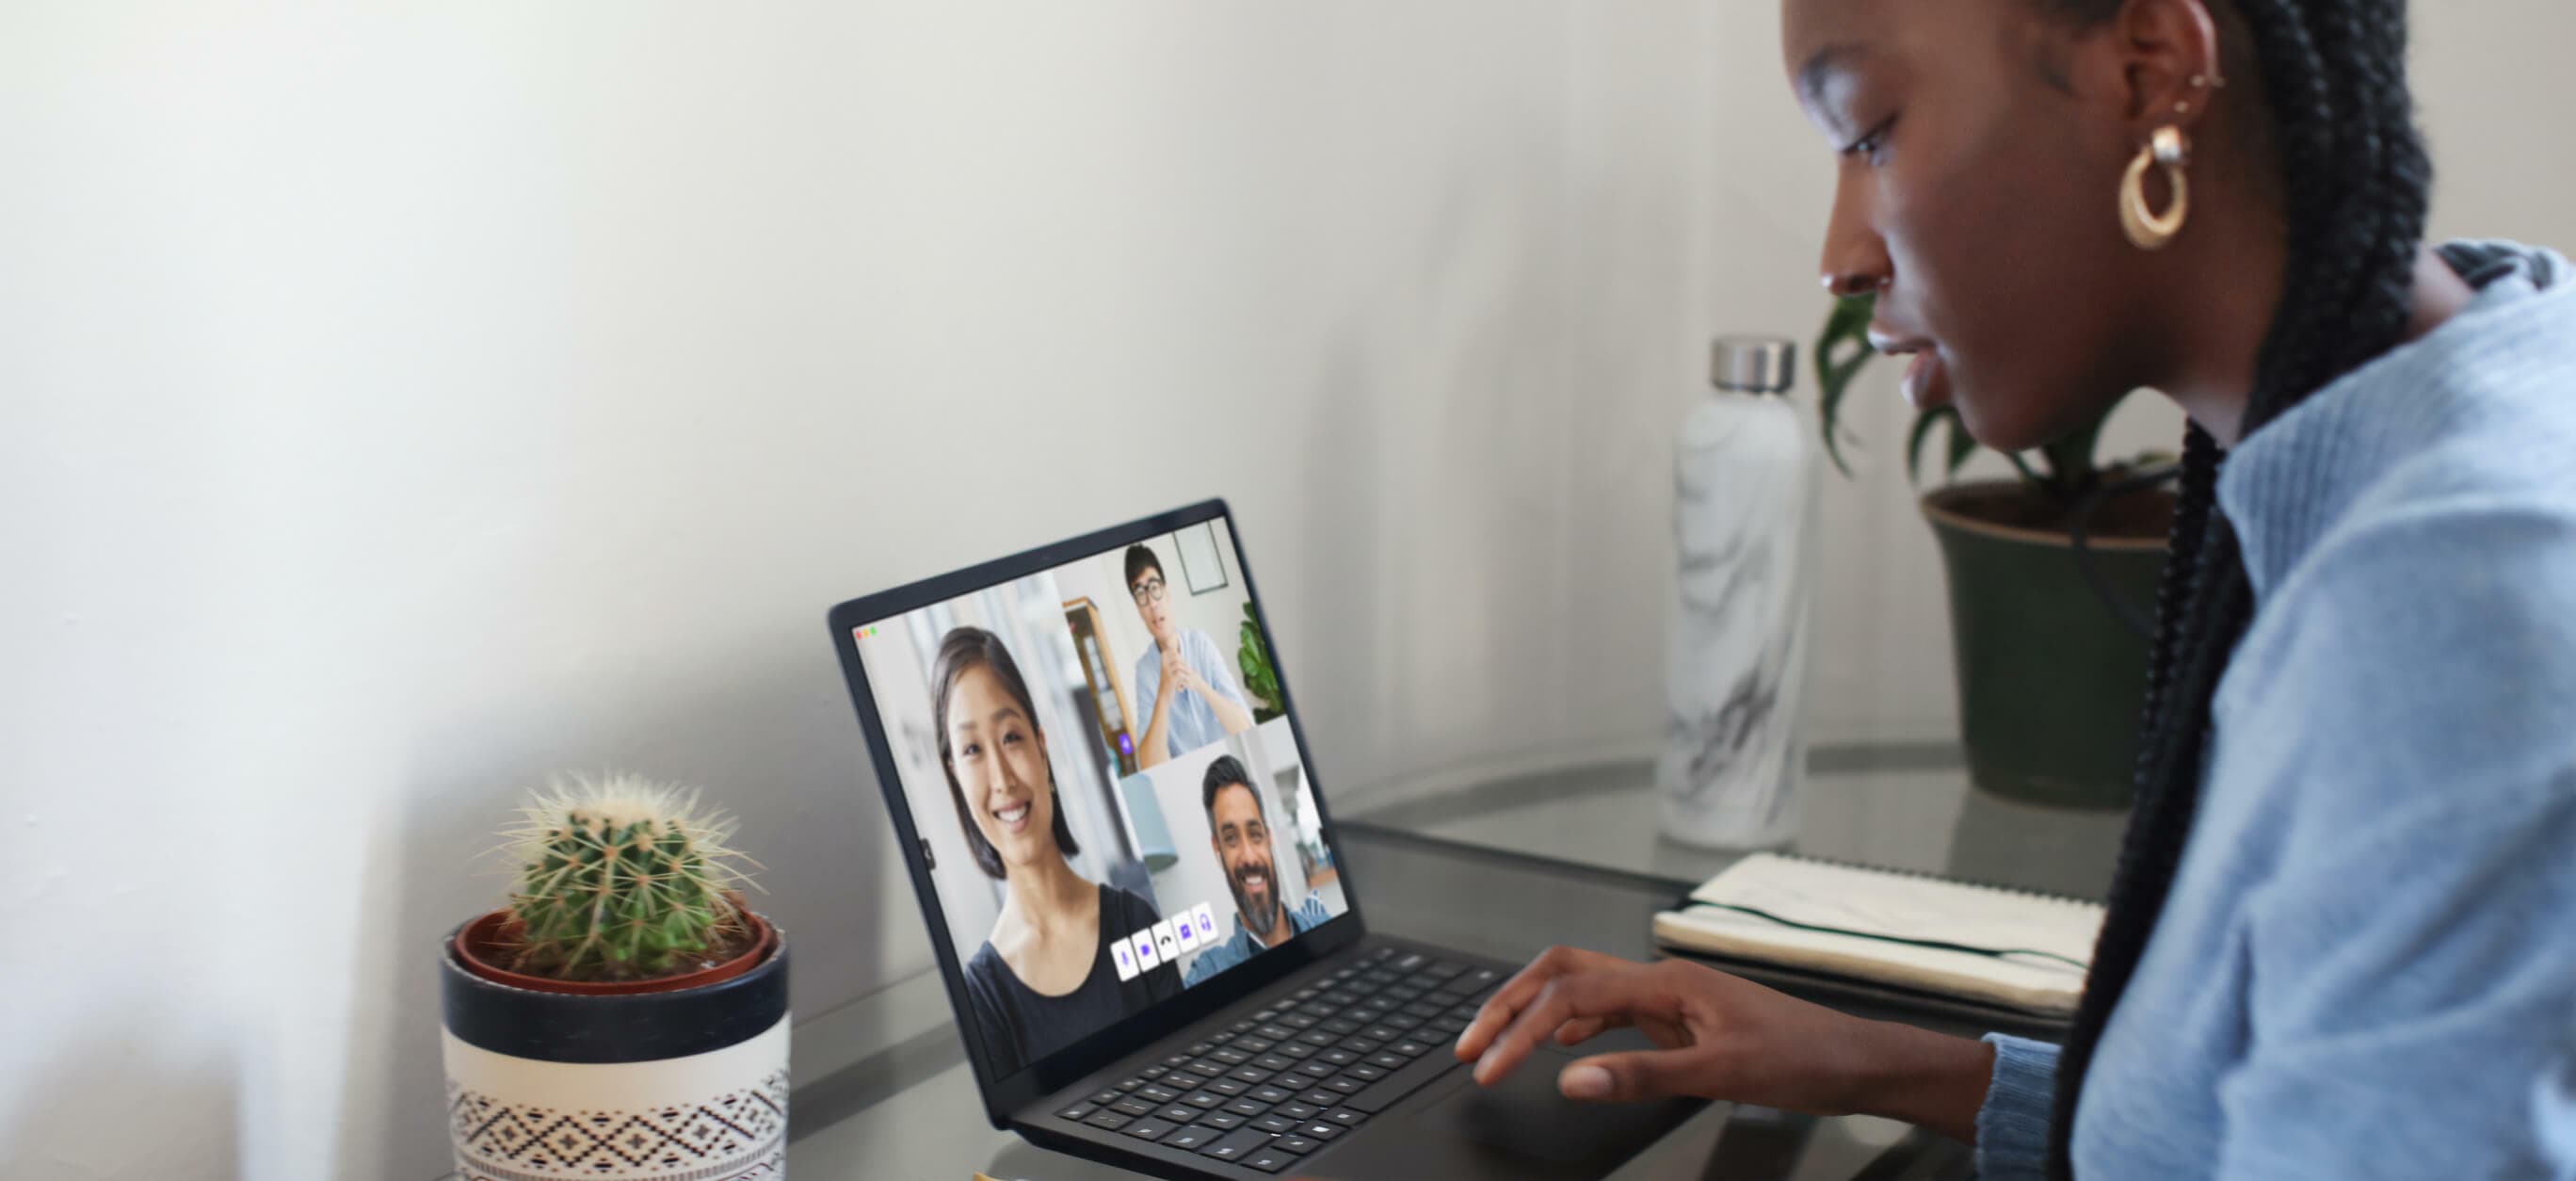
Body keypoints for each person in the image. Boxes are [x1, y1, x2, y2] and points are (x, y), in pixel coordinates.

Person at [1456, 2, 2576, 1178]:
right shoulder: (2485, 368)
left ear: (2150, 72)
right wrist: (1865, 1062)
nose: (1843, 253)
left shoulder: (2454, 610)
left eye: (1871, 133)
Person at [933, 626, 1180, 1076]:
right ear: (954, 777)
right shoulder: (984, 998)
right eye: (972, 749)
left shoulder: (1135, 922)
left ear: (1041, 747)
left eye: (1010, 737)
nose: (1003, 779)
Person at [1182, 754, 1331, 985]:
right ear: (1217, 849)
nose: (1249, 857)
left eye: (1255, 834)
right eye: (1231, 838)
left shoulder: (1324, 926)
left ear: (1268, 838)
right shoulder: (1208, 973)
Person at [1123, 542, 1255, 767]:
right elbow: (1148, 766)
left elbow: (1245, 728)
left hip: (1233, 766)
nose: (1152, 604)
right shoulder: (1145, 671)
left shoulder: (1201, 644)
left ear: (1167, 594)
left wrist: (1200, 685)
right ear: (1138, 609)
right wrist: (1164, 695)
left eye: (1155, 588)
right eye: (1140, 594)